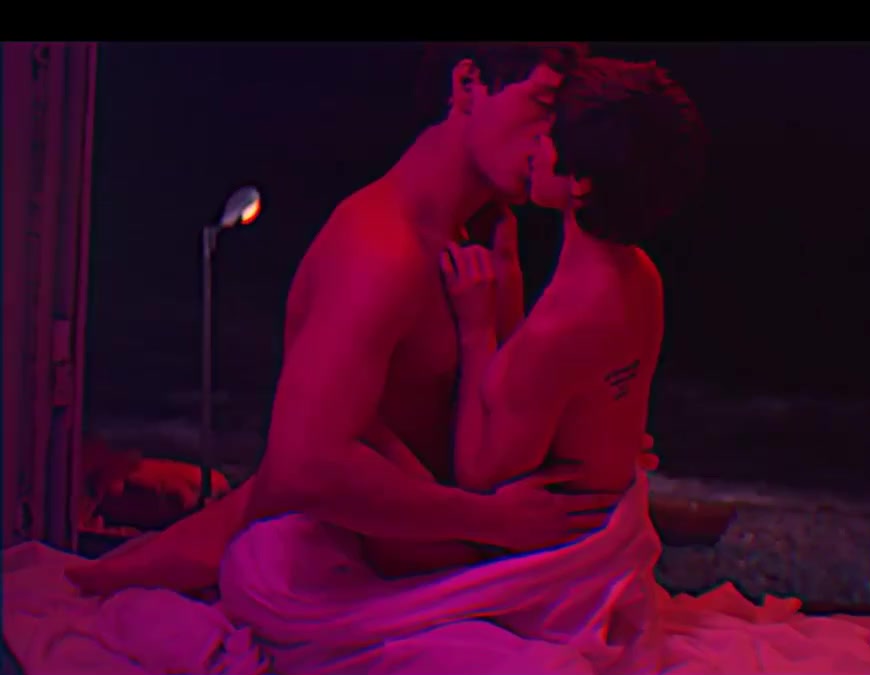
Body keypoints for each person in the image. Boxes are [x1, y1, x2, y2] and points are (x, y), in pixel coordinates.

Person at [67, 43, 655, 595]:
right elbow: (302, 467)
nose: (555, 138)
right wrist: (493, 520)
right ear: (469, 84)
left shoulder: (486, 238)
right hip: (329, 567)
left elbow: (496, 413)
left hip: (429, 559)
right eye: (544, 105)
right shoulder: (381, 249)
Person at [439, 58, 705, 507]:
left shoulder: (563, 327)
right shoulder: (640, 274)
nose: (534, 142)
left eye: (547, 133)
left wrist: (476, 331)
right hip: (610, 516)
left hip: (566, 544)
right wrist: (508, 268)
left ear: (580, 182)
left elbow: (479, 475)